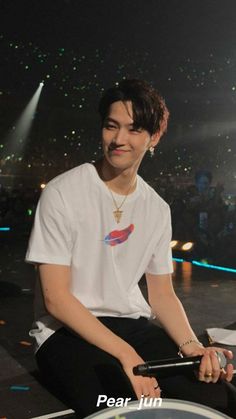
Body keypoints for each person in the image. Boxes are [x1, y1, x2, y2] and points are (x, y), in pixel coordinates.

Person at [26, 79, 236, 418]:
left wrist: (192, 347)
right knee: (123, 408)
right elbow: (56, 299)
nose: (119, 139)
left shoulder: (156, 207)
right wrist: (128, 356)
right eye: (112, 126)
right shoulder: (63, 192)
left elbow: (162, 294)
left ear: (153, 138)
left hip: (131, 326)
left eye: (134, 129)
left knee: (218, 402)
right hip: (64, 332)